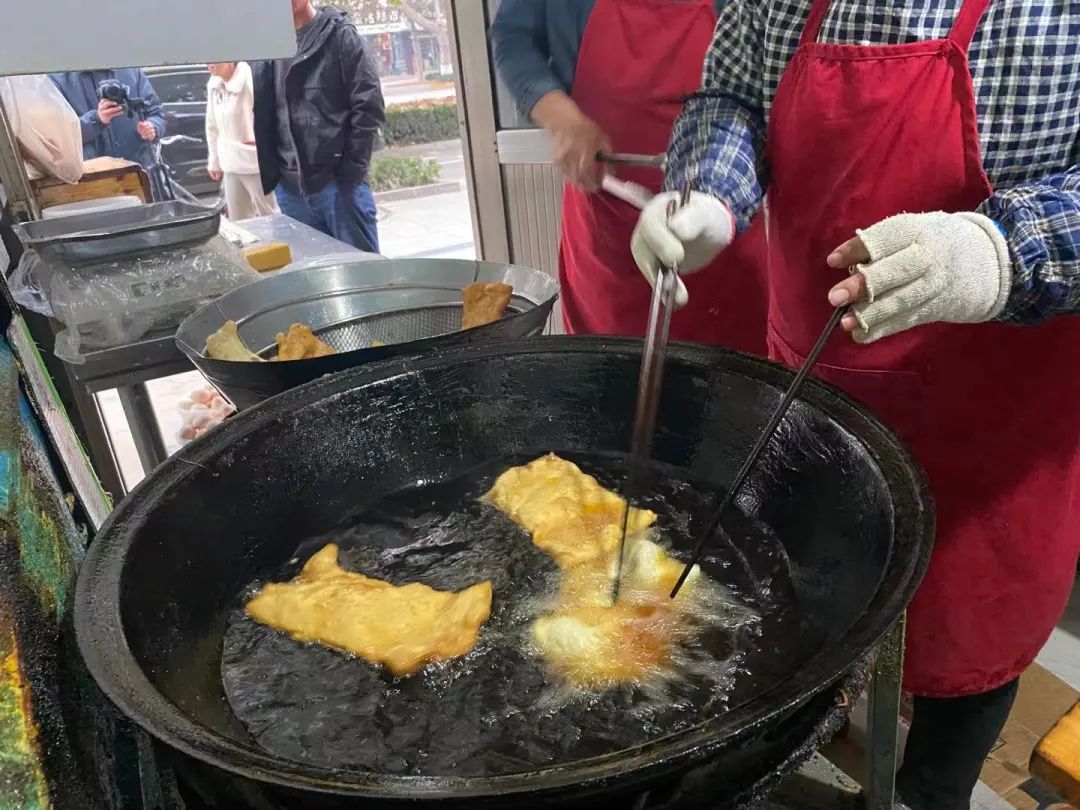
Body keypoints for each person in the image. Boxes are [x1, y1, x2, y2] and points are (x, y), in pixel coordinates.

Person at [631, 2, 1080, 807]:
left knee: (972, 633)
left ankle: (934, 788)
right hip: (817, 390)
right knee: (797, 603)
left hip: (995, 419)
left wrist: (1004, 249)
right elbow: (733, 97)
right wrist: (707, 192)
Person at [490, 0, 767, 352]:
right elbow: (513, 37)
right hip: (604, 239)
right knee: (608, 387)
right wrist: (562, 119)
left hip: (719, 229)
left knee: (733, 388)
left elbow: (749, 93)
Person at [252, 0, 385, 254]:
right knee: (316, 278)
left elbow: (369, 106)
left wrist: (351, 172)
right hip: (290, 190)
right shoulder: (267, 47)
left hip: (337, 186)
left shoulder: (340, 36)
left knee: (363, 277)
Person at [49, 69, 165, 168]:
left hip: (139, 171)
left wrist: (152, 127)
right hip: (94, 179)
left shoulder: (130, 70)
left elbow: (155, 112)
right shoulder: (58, 80)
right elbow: (58, 136)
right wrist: (97, 119)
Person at [205, 62, 277, 220]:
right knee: (238, 219)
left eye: (213, 58)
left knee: (269, 214)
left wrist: (256, 146)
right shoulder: (214, 85)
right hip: (229, 162)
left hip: (254, 161)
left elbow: (267, 119)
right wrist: (214, 161)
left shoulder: (249, 79)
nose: (208, 63)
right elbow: (212, 126)